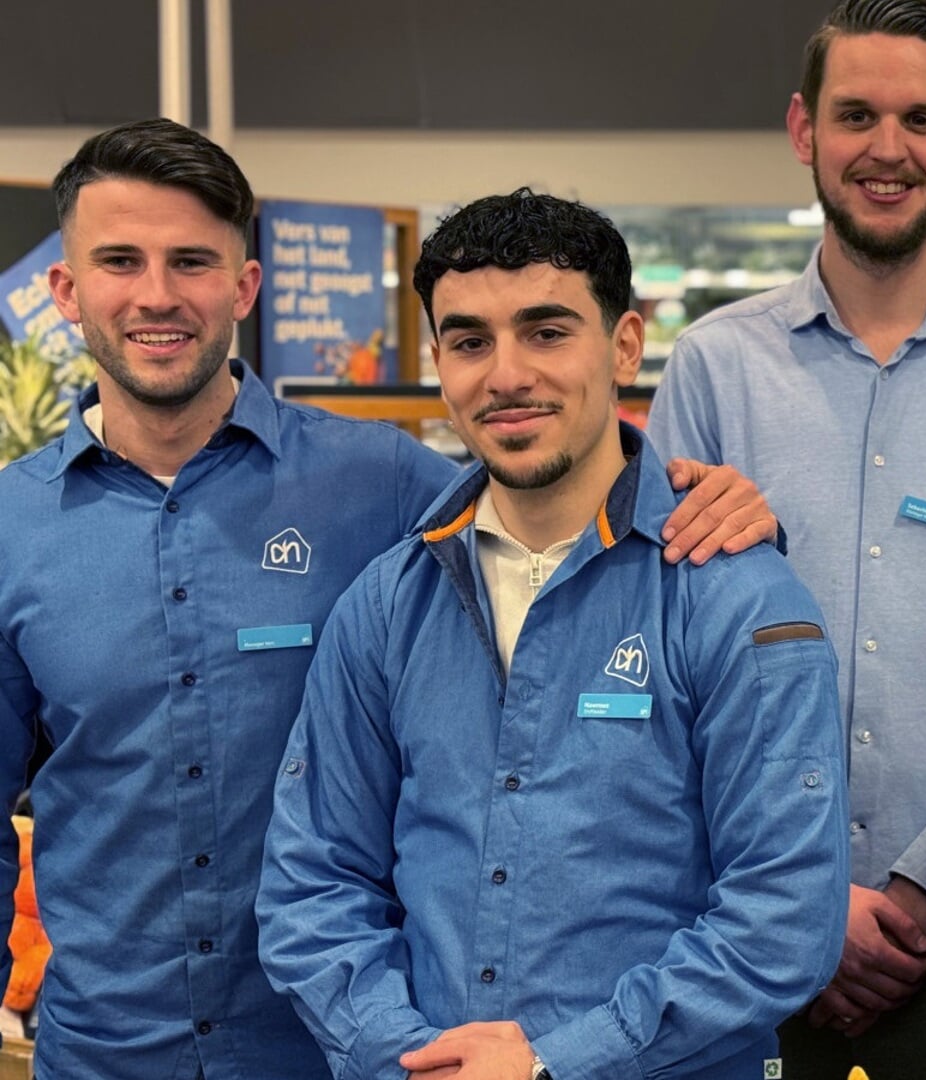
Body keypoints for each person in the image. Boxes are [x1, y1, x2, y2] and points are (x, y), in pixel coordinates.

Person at [257, 189, 849, 1080]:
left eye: (545, 331)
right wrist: (407, 1055)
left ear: (623, 345)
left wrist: (556, 1066)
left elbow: (785, 917)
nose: (505, 376)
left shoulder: (737, 598)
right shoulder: (387, 605)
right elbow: (314, 881)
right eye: (469, 341)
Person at [647, 1, 926, 1074]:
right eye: (857, 115)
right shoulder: (715, 369)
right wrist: (805, 899)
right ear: (805, 130)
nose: (887, 150)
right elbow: (670, 671)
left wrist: (914, 894)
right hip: (736, 935)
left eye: (920, 119)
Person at [0, 118, 459, 1079]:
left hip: (340, 1051)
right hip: (103, 1055)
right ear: (67, 291)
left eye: (193, 262)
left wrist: (692, 496)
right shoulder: (11, 524)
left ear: (243, 288)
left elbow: (566, 526)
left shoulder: (382, 484)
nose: (157, 295)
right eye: (120, 261)